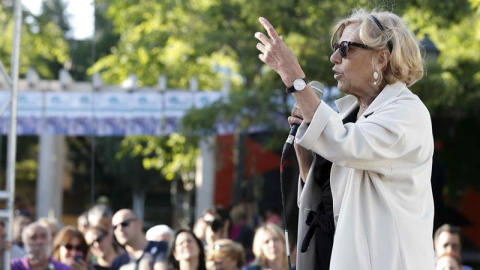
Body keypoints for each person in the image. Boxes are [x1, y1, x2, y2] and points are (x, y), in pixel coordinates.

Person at [255, 8, 435, 269]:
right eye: (335, 47)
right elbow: (329, 197)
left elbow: (347, 145)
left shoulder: (407, 112)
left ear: (382, 58)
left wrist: (294, 78)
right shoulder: (346, 117)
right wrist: (307, 164)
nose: (334, 57)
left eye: (345, 48)